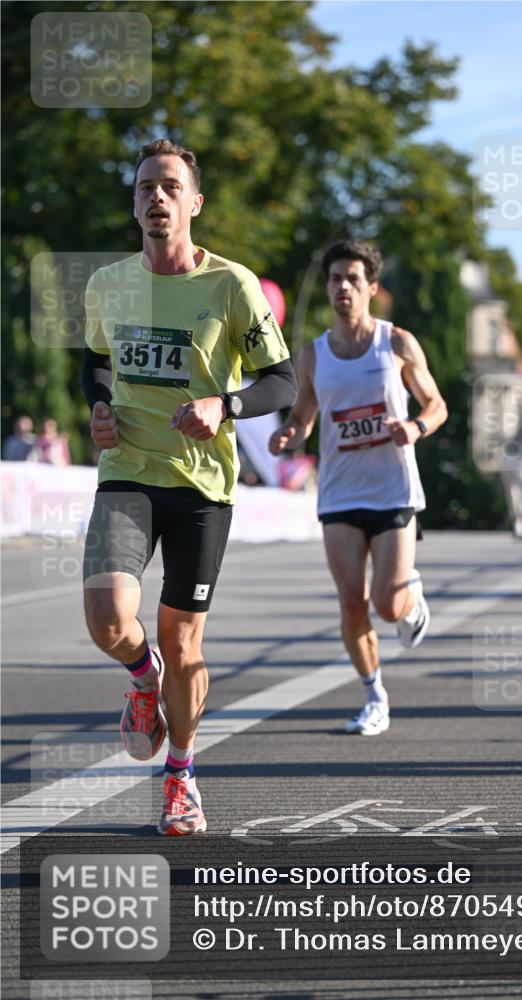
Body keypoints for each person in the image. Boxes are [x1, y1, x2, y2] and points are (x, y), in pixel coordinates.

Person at [82, 139, 296, 835]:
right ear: (134, 203)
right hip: (128, 473)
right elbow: (96, 362)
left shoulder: (232, 285)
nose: (158, 197)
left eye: (171, 186)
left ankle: (181, 777)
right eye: (146, 186)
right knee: (108, 620)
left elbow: (282, 383)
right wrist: (99, 407)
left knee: (184, 643)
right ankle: (141, 678)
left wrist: (223, 406)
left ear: (194, 203)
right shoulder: (108, 283)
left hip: (203, 486)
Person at [269, 239, 447, 735]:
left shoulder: (397, 344)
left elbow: (436, 405)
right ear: (328, 288)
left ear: (371, 288)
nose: (342, 287)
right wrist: (290, 434)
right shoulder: (313, 354)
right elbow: (303, 416)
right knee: (351, 601)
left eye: (353, 279)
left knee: (387, 605)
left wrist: (415, 428)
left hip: (393, 491)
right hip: (340, 494)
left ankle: (410, 597)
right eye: (335, 279)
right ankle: (375, 697)